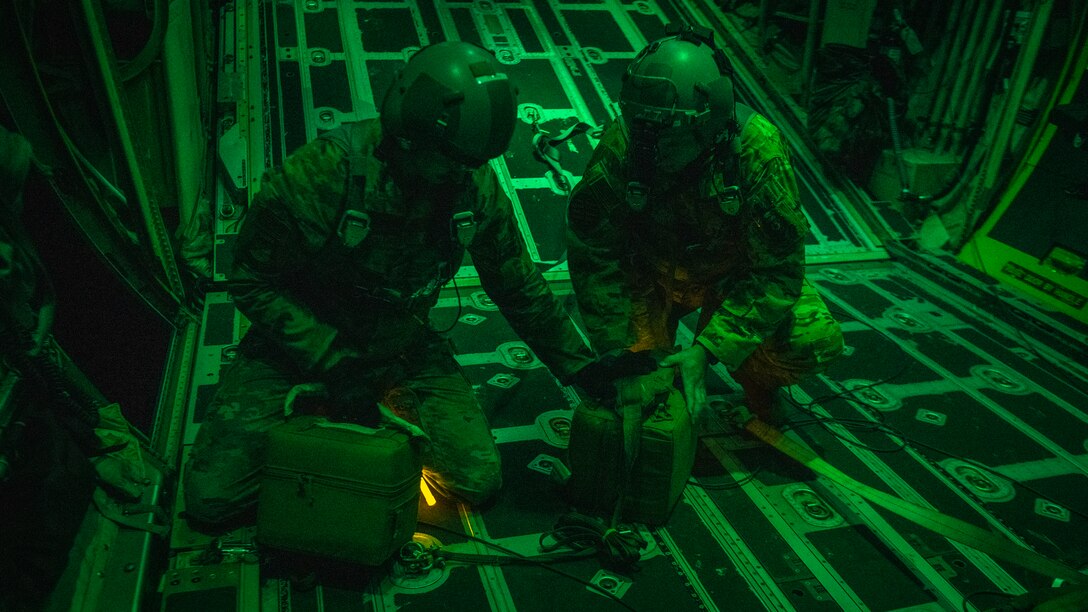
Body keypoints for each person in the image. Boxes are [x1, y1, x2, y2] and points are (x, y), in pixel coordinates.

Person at [183, 41, 598, 527]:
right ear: (408, 135)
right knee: (212, 499)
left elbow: (517, 284)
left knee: (475, 482)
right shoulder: (320, 177)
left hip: (403, 345)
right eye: (450, 162)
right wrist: (330, 362)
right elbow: (251, 279)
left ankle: (355, 412)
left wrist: (582, 367)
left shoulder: (468, 179)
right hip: (299, 345)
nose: (464, 175)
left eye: (472, 163)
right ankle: (325, 409)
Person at [565, 25, 844, 425]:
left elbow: (777, 273)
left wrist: (709, 349)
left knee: (811, 340)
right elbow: (593, 250)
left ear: (708, 122)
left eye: (669, 138)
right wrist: (622, 350)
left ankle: (754, 379)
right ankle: (656, 357)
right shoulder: (628, 139)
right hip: (649, 276)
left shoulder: (756, 150)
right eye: (643, 132)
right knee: (640, 387)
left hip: (728, 280)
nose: (652, 149)